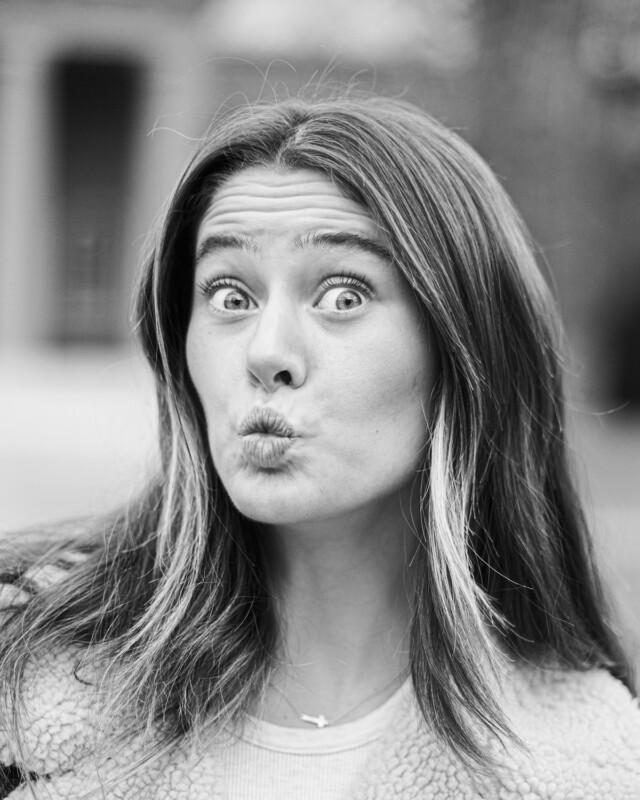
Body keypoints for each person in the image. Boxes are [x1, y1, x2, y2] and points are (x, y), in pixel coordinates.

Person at [1, 93, 639, 800]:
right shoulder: (23, 679)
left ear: (467, 350)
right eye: (229, 295)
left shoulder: (586, 767)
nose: (266, 352)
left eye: (342, 295)